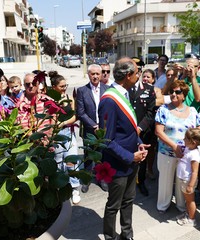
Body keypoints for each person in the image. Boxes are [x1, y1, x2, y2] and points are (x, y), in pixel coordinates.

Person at [98, 57, 150, 240]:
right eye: (137, 73)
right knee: (114, 205)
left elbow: (127, 128)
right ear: (128, 75)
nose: (139, 76)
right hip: (118, 164)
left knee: (128, 201)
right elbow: (106, 140)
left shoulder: (126, 93)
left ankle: (127, 235)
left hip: (131, 159)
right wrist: (130, 156)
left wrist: (138, 142)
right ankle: (110, 237)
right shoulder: (109, 100)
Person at [155, 80, 200, 214]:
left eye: (178, 92)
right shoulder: (163, 109)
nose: (174, 94)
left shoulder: (192, 111)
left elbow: (197, 131)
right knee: (165, 181)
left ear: (184, 95)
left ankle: (181, 206)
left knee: (182, 180)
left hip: (186, 156)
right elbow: (158, 131)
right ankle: (163, 205)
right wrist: (174, 146)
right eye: (172, 92)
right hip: (166, 153)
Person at [49, 70, 81, 205]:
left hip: (68, 132)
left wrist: (63, 123)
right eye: (62, 86)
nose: (64, 88)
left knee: (72, 162)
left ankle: (74, 188)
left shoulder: (69, 98)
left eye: (65, 85)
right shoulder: (49, 100)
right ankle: (62, 188)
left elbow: (74, 116)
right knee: (58, 163)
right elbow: (50, 119)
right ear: (54, 87)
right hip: (56, 134)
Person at [76, 64, 109, 193]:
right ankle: (86, 180)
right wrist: (93, 125)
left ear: (101, 75)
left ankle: (102, 179)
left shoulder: (107, 89)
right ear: (88, 74)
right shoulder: (82, 91)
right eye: (92, 74)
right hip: (90, 130)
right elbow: (81, 112)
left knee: (102, 155)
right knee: (88, 155)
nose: (95, 76)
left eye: (97, 74)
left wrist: (103, 126)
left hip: (104, 129)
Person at [129, 63, 156, 196]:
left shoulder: (149, 89)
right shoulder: (123, 89)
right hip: (127, 131)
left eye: (135, 72)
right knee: (128, 157)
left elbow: (150, 113)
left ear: (138, 73)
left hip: (143, 131)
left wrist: (140, 127)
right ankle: (129, 182)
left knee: (142, 158)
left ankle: (141, 182)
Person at [176, 128, 200, 227]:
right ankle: (189, 214)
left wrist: (190, 185)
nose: (183, 139)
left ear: (193, 142)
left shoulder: (194, 155)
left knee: (190, 200)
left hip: (188, 181)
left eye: (186, 138)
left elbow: (195, 172)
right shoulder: (188, 148)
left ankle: (192, 219)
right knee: (187, 200)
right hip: (183, 179)